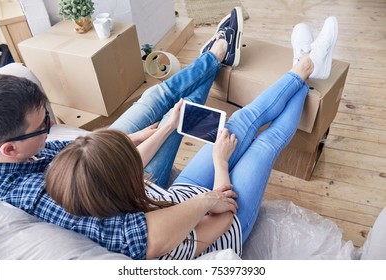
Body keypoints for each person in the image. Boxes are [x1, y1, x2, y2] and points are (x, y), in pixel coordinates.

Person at [45, 11, 340, 260]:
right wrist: (220, 161)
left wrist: (167, 127)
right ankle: (308, 66)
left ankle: (304, 66)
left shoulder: (89, 196)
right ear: (120, 183)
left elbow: (128, 163)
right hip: (223, 221)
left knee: (238, 123)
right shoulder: (154, 243)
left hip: (182, 194)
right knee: (264, 144)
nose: (137, 159)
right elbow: (223, 214)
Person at [0, 7, 243, 260]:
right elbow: (136, 237)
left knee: (155, 97)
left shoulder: (25, 151)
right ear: (10, 149)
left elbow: (79, 148)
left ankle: (212, 59)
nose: (50, 129)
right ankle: (218, 54)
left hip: (99, 159)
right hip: (115, 179)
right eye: (43, 126)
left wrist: (129, 139)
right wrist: (207, 199)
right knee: (175, 119)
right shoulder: (29, 193)